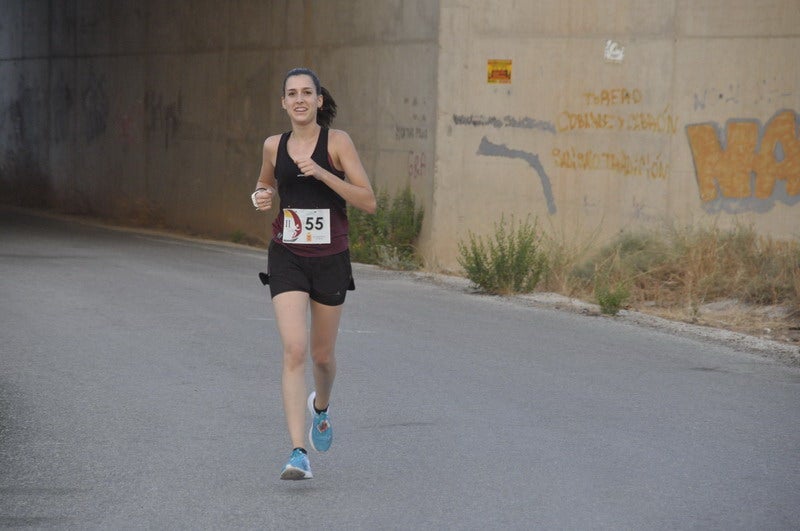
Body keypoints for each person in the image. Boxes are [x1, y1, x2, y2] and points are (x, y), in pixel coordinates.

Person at [251, 67, 377, 480]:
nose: (300, 99)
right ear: (283, 103)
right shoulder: (274, 145)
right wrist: (261, 196)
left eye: (307, 92)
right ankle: (297, 452)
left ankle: (320, 408)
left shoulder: (337, 143)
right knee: (294, 349)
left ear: (319, 101)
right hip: (287, 254)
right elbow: (265, 185)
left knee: (322, 356)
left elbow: (368, 201)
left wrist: (323, 173)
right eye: (292, 93)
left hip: (330, 258)